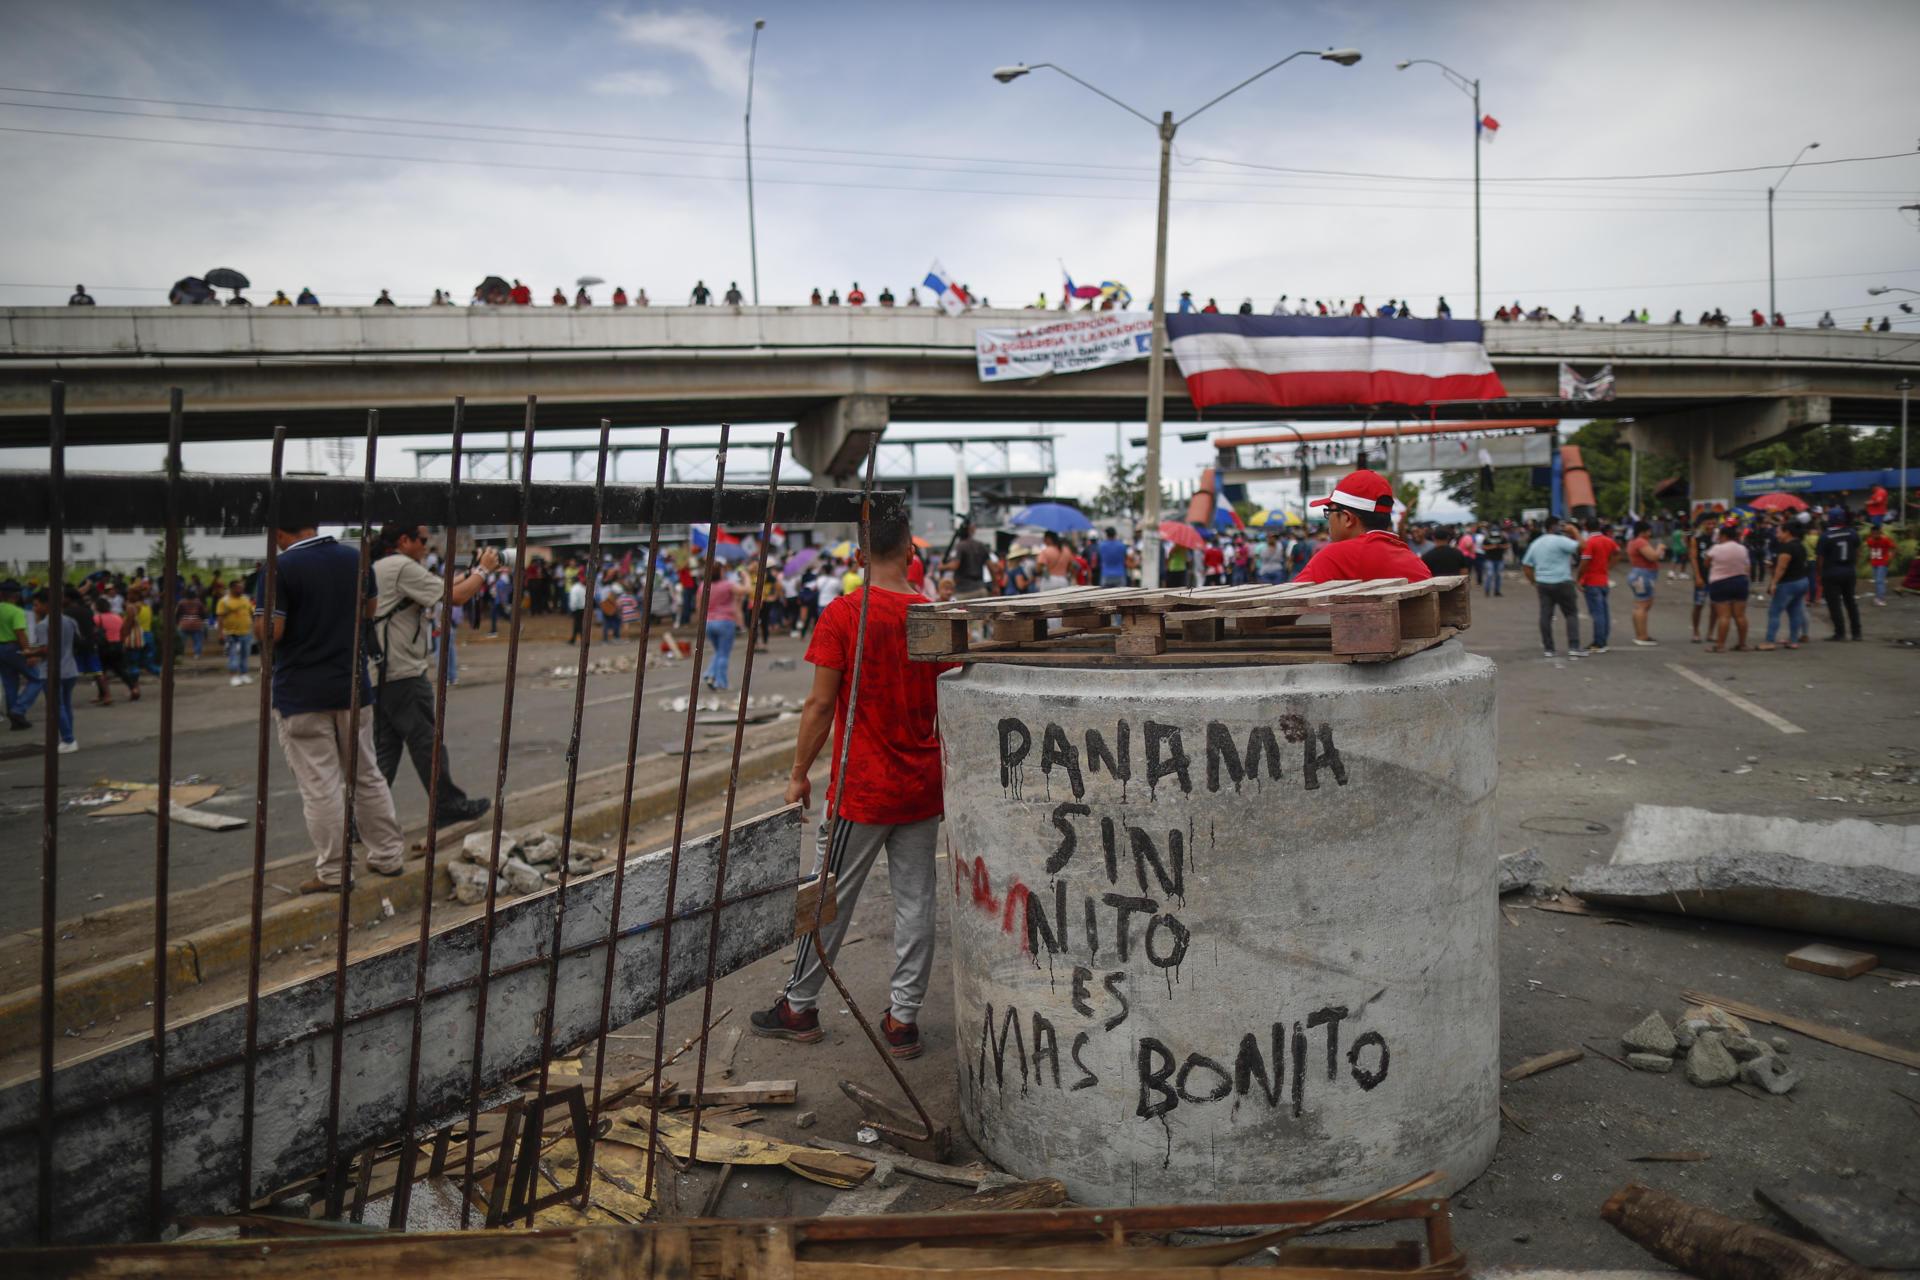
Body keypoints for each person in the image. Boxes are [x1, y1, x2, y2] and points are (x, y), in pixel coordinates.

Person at [750, 504, 950, 1059]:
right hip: (920, 786)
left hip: (862, 790)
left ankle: (799, 1006)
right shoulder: (930, 616)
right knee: (916, 902)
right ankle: (903, 1021)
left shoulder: (844, 615)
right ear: (912, 551)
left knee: (825, 897)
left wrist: (797, 776)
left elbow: (818, 706)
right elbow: (948, 700)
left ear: (859, 557)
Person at [256, 523, 407, 894]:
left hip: (301, 693)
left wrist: (258, 621)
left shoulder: (279, 568)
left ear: (280, 530)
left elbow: (271, 631)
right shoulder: (355, 559)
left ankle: (336, 872)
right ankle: (388, 856)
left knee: (321, 785)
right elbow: (370, 610)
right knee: (367, 775)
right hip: (353, 687)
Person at [372, 522, 500, 826]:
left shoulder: (383, 565)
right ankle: (447, 805)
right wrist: (482, 571)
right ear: (404, 540)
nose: (426, 547)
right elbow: (455, 597)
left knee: (384, 755)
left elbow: (443, 587)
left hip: (381, 672)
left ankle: (361, 820)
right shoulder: (402, 566)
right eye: (422, 540)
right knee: (426, 743)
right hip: (403, 672)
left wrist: (470, 573)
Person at [1291, 470, 1431, 585]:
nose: (1328, 520)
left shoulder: (1335, 556)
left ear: (1347, 518)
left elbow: (1285, 608)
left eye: (1329, 512)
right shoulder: (1415, 561)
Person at [19, 591, 79, 753]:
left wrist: (30, 653)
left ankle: (68, 739)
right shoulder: (69, 621)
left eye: (37, 604)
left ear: (47, 605)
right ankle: (68, 737)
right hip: (70, 668)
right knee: (65, 705)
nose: (34, 608)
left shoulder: (43, 625)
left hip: (52, 670)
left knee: (56, 706)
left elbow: (46, 649)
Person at [1521, 517, 1583, 658]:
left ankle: (1549, 648)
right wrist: (1575, 531)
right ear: (1555, 526)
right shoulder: (1561, 540)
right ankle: (1573, 646)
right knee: (1571, 614)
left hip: (1543, 583)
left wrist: (1534, 581)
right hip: (1563, 581)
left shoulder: (1537, 543)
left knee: (1546, 615)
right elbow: (1583, 546)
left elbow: (1526, 565)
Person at [1757, 523, 1811, 650]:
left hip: (1788, 584)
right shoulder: (1800, 545)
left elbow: (1782, 568)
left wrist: (1773, 583)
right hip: (1801, 581)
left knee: (1774, 612)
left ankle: (1770, 641)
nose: (1777, 535)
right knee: (1794, 612)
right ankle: (1793, 641)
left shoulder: (1786, 547)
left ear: (1787, 532)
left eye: (1779, 532)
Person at [1703, 524, 1752, 651]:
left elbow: (1706, 563)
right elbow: (1747, 566)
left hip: (1720, 582)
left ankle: (1720, 645)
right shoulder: (1742, 549)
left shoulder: (1716, 548)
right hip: (1740, 581)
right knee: (1740, 615)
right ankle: (1742, 644)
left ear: (1724, 536)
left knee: (1724, 616)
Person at [1576, 518, 1620, 653]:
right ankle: (1603, 640)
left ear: (1586, 528)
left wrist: (1578, 578)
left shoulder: (1590, 542)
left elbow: (1584, 563)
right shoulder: (1608, 540)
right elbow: (1617, 553)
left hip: (1591, 581)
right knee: (1604, 612)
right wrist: (1608, 567)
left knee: (1597, 613)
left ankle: (1599, 643)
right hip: (1603, 579)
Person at [1817, 513, 1862, 641]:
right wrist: (1854, 566)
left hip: (1831, 572)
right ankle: (1856, 633)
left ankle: (1840, 633)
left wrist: (1819, 574)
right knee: (1851, 602)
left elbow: (1820, 558)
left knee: (1834, 604)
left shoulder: (1825, 536)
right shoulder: (1852, 533)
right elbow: (1858, 551)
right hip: (1849, 571)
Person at [1, 579, 35, 729]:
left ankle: (16, 721)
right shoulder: (17, 611)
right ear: (16, 595)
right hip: (13, 647)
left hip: (1, 650)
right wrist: (28, 651)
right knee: (37, 678)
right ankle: (18, 710)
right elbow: (20, 632)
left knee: (10, 683)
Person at [700, 563, 741, 690]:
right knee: (723, 653)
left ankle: (710, 673)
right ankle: (720, 681)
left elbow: (698, 605)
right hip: (725, 621)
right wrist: (745, 576)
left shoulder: (703, 586)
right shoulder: (727, 585)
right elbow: (745, 590)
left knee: (718, 651)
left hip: (709, 621)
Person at [1624, 521, 1663, 645]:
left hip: (1638, 574)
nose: (1650, 534)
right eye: (1649, 531)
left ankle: (1640, 634)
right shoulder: (1640, 542)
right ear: (1644, 531)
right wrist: (1660, 548)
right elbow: (1653, 557)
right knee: (1643, 605)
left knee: (1640, 605)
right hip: (1643, 575)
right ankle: (1642, 636)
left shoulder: (1632, 541)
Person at [1686, 510, 1720, 643]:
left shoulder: (1719, 538)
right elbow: (1693, 558)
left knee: (1715, 606)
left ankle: (1711, 632)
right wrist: (1698, 576)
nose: (1711, 526)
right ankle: (1696, 631)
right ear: (1702, 524)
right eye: (1708, 523)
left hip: (1717, 577)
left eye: (1713, 523)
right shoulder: (1696, 538)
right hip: (1702, 576)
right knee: (1698, 605)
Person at [216, 578, 256, 685]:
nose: (241, 589)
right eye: (239, 587)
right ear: (232, 588)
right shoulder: (224, 601)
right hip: (230, 633)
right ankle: (234, 676)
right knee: (233, 655)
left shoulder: (246, 599)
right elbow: (220, 618)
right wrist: (220, 634)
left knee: (245, 655)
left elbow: (251, 613)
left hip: (246, 632)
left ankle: (244, 675)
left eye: (242, 587)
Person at [942, 522, 992, 600]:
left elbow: (955, 565)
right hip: (981, 589)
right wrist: (995, 585)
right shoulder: (980, 545)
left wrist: (943, 566)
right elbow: (991, 566)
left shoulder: (960, 546)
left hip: (964, 591)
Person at [1866, 526, 1896, 605]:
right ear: (1871, 533)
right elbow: (1871, 550)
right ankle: (1878, 597)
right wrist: (1870, 559)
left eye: (1877, 533)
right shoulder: (1869, 540)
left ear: (1880, 532)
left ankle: (1881, 599)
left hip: (1883, 563)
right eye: (1873, 533)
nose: (1875, 535)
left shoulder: (1885, 539)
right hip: (1874, 563)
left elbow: (1893, 548)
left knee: (1879, 581)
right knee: (1877, 581)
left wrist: (1890, 559)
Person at [1479, 525, 1508, 596]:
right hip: (1489, 559)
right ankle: (1487, 591)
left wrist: (1500, 546)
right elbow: (1483, 547)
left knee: (1498, 575)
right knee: (1489, 574)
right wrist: (1492, 547)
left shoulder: (1502, 537)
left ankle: (1497, 591)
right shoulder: (1487, 538)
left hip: (1499, 559)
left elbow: (1507, 545)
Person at [567, 571, 588, 643]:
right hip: (583, 608)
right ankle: (574, 639)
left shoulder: (574, 588)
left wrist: (572, 609)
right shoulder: (582, 587)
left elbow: (574, 600)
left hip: (576, 609)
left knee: (577, 624)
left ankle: (579, 639)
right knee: (579, 624)